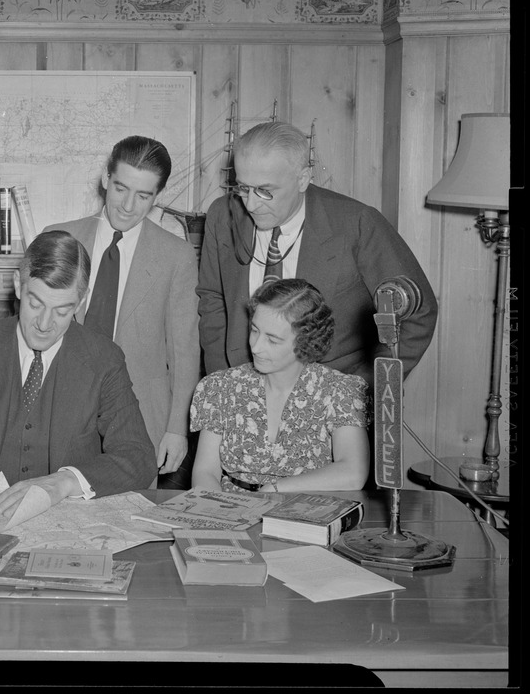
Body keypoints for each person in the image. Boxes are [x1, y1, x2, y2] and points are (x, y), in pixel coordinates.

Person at [0, 231, 157, 519]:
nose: (45, 324)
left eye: (62, 310)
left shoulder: (104, 359)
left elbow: (138, 457)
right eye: (35, 304)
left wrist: (64, 482)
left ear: (80, 303)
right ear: (18, 287)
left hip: (65, 524)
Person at [197, 120, 437, 388]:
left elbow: (418, 311)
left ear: (302, 180)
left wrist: (365, 389)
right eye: (243, 188)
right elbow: (212, 298)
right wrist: (222, 380)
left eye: (265, 191)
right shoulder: (221, 215)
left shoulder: (356, 223)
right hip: (242, 390)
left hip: (331, 397)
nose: (251, 204)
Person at [45, 136, 199, 488]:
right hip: (60, 412)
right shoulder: (59, 238)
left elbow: (184, 352)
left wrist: (177, 429)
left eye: (143, 196)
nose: (128, 205)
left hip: (141, 418)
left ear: (157, 196)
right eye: (120, 188)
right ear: (105, 178)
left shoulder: (177, 257)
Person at [190, 278, 369, 493]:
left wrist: (273, 490)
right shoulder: (220, 387)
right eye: (254, 330)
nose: (256, 347)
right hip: (230, 511)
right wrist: (221, 516)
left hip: (305, 514)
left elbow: (353, 473)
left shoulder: (340, 391)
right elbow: (205, 472)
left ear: (306, 341)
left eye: (272, 340)